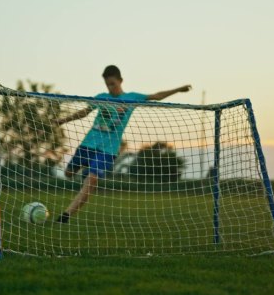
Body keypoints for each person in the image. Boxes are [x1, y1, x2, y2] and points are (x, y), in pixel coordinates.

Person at [54, 65, 192, 223]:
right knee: (69, 173)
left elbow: (157, 96)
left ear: (120, 80)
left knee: (91, 181)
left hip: (108, 151)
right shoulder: (101, 97)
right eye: (107, 84)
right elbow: (84, 112)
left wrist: (179, 89)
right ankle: (87, 171)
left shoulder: (131, 98)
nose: (110, 87)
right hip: (88, 145)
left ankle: (65, 216)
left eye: (113, 83)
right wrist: (63, 120)